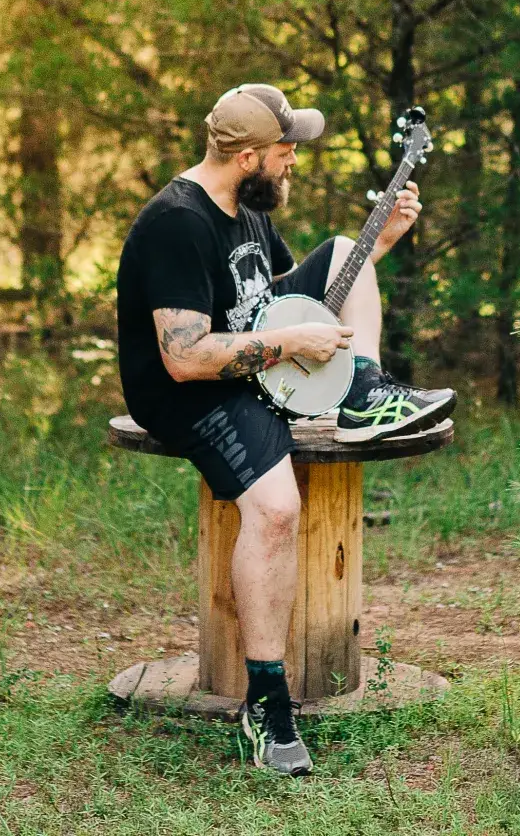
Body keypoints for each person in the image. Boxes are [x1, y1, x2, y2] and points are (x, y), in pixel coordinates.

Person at [115, 84, 456, 775]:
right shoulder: (176, 224)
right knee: (275, 511)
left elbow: (291, 303)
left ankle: (364, 393)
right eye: (284, 149)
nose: (293, 158)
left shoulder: (246, 210)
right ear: (247, 156)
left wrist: (379, 243)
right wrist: (290, 342)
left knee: (339, 248)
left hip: (250, 370)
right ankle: (266, 704)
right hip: (191, 394)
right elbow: (183, 359)